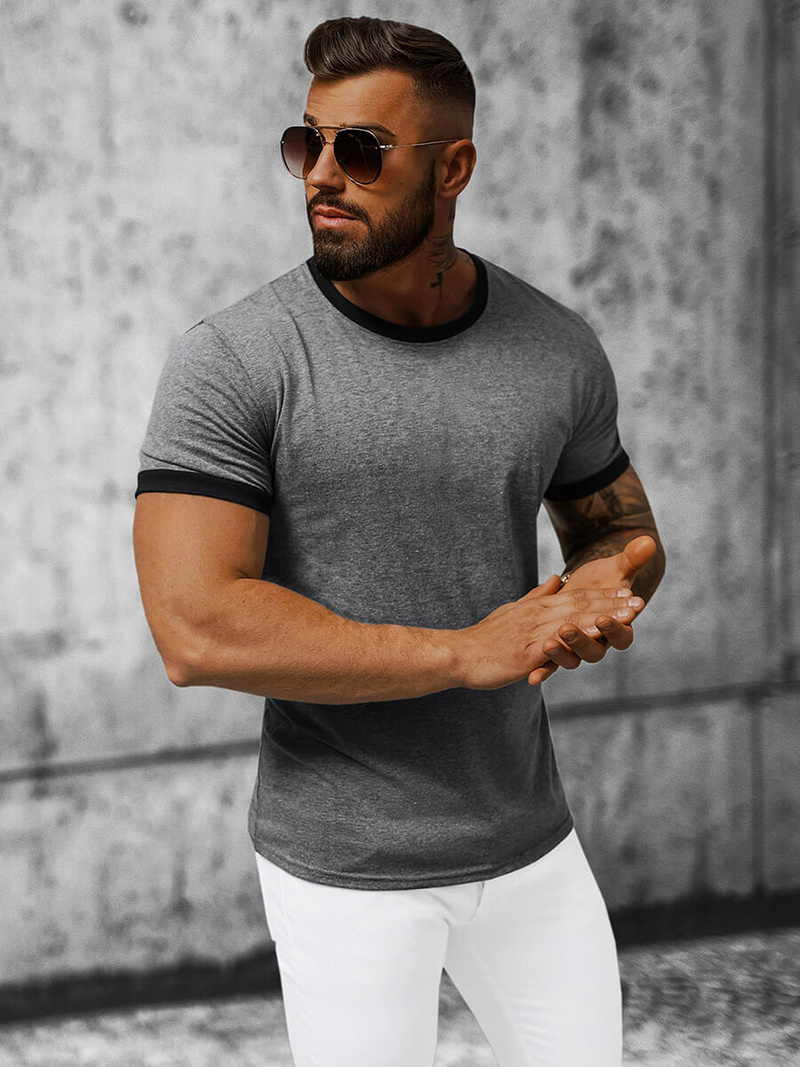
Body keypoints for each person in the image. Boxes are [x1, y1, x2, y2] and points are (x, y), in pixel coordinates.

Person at [132, 15, 665, 1067]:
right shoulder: (234, 361)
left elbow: (619, 529)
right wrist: (467, 652)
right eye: (308, 143)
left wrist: (601, 594)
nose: (322, 174)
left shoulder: (555, 347)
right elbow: (196, 628)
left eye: (362, 149)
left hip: (529, 841)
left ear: (452, 167)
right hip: (345, 866)